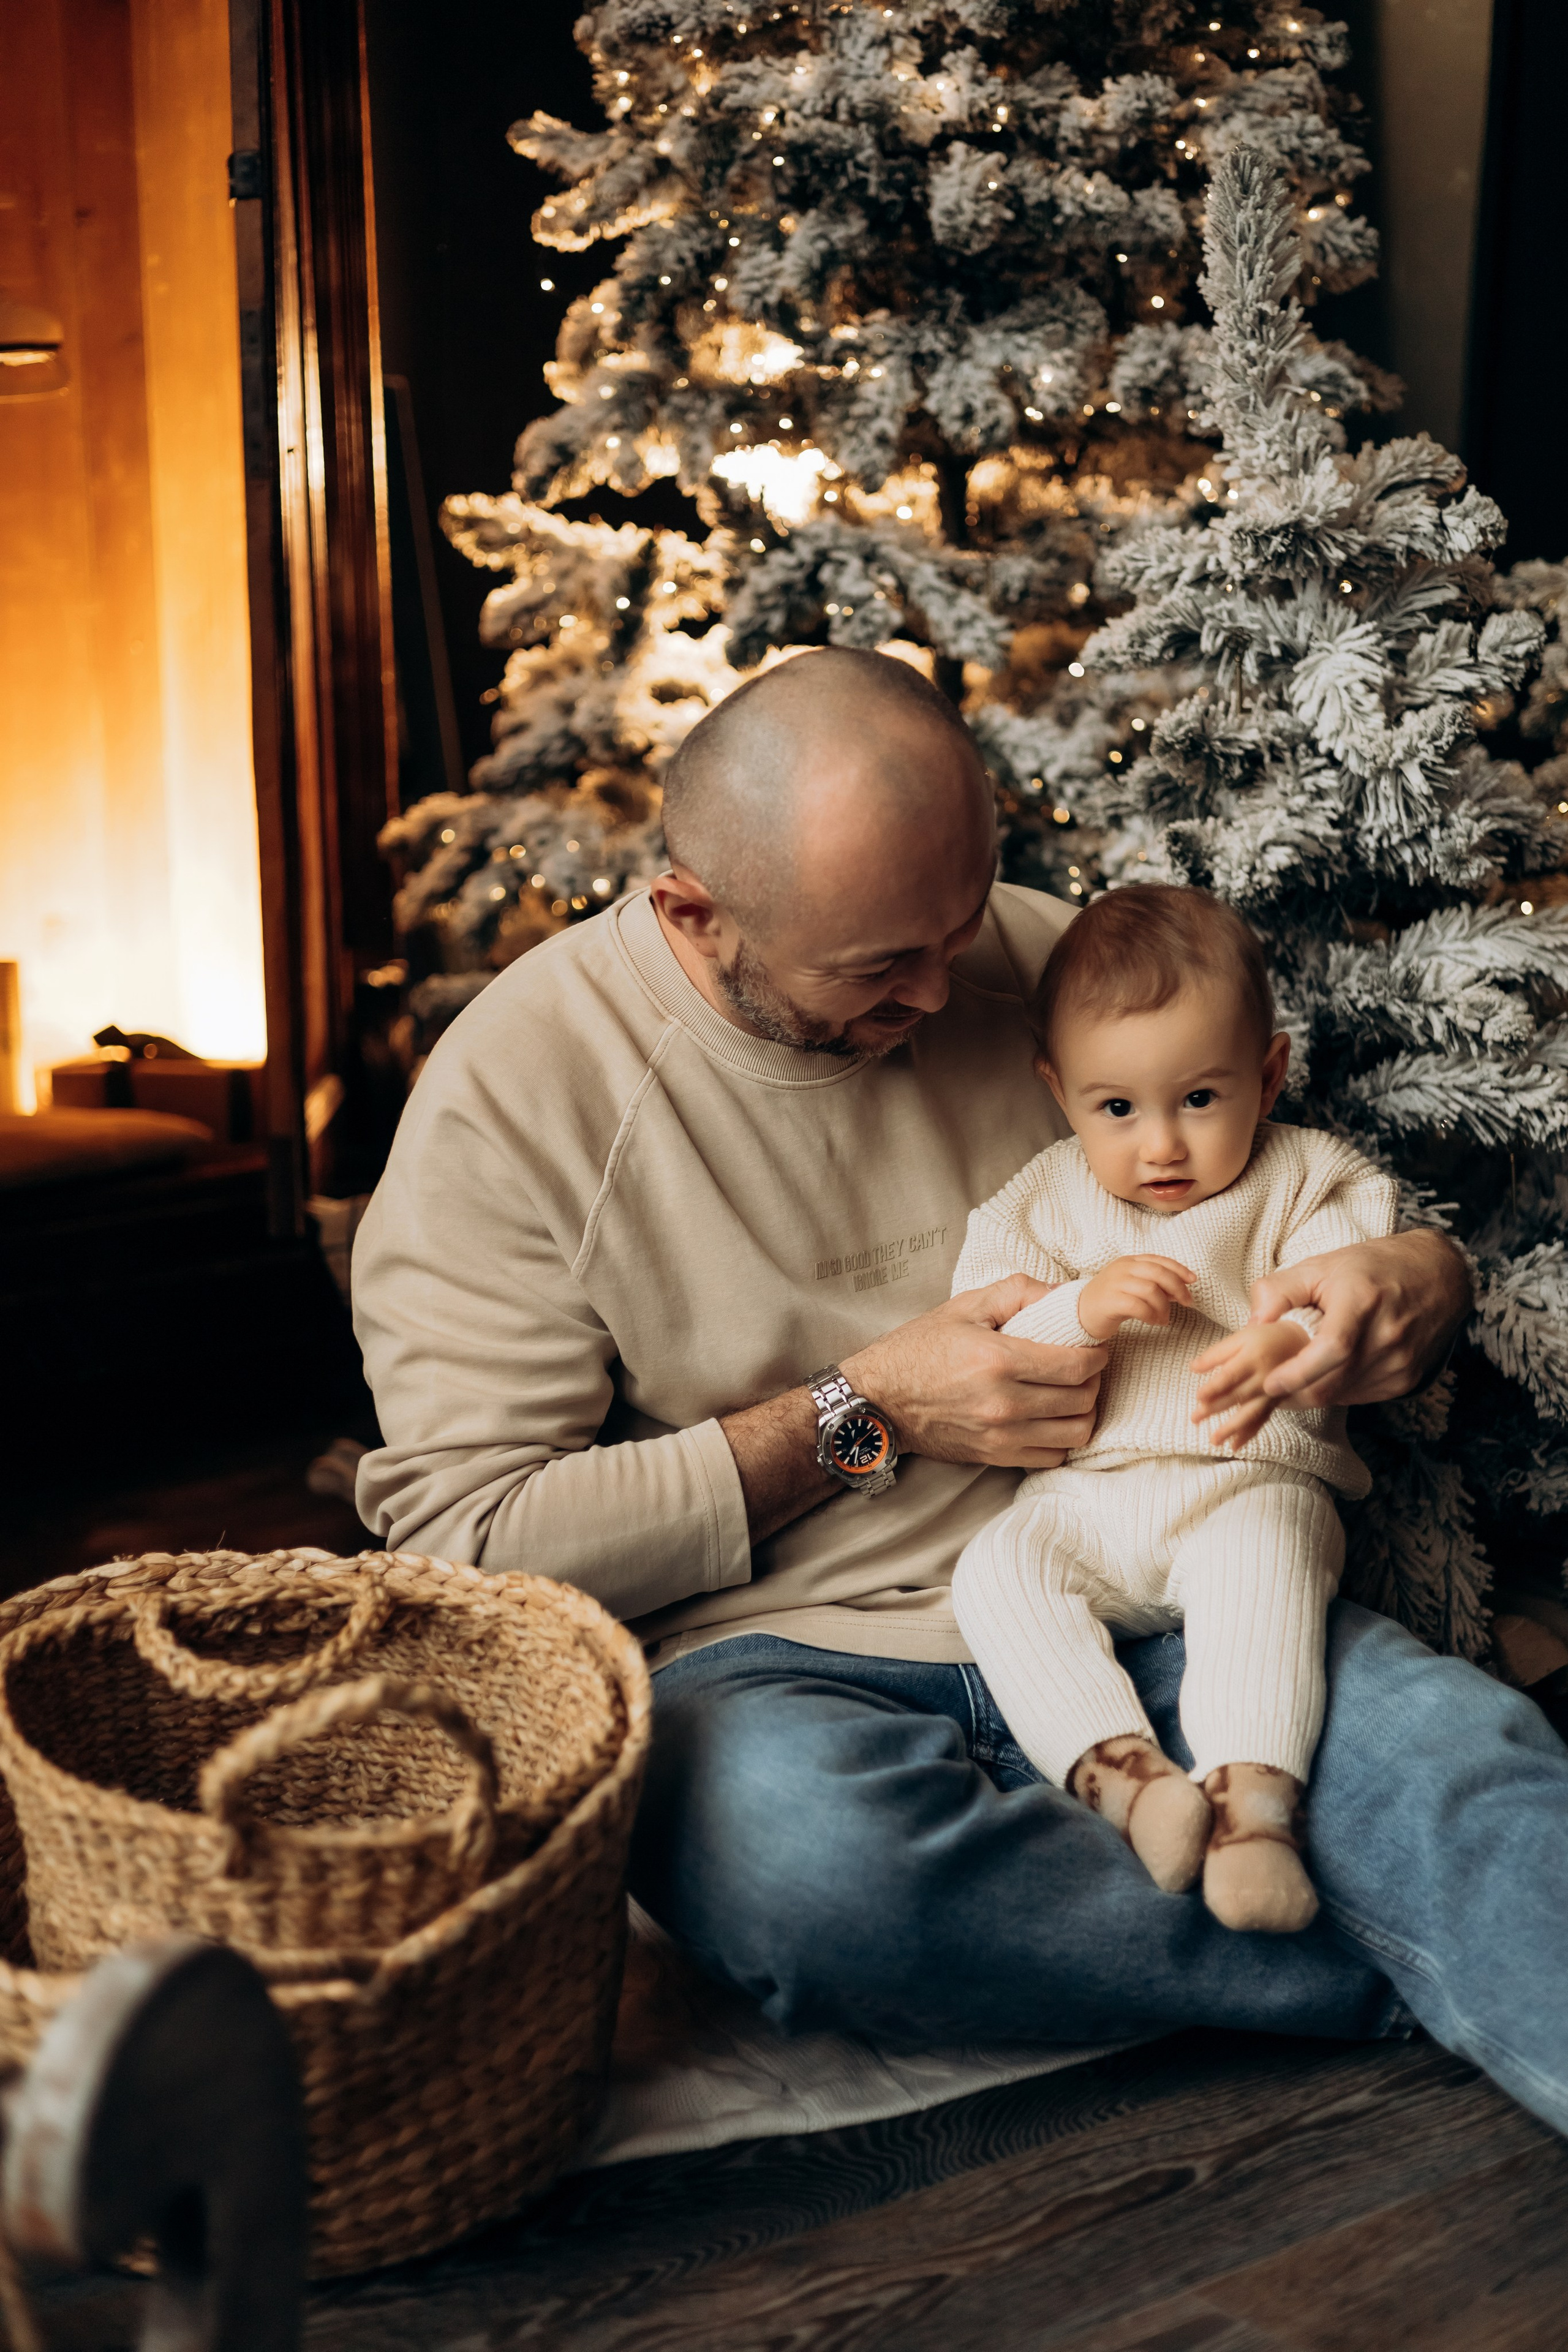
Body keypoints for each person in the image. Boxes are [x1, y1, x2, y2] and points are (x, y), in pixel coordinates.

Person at [352, 648, 1568, 2136]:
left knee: (1459, 1760)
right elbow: (463, 1546)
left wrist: (1420, 1284)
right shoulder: (514, 1100)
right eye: (878, 971)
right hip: (776, 1663)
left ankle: (1389, 1911)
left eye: (962, 921)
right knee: (805, 1875)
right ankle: (1392, 1954)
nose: (947, 993)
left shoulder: (1020, 956)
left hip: (1156, 1563)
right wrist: (861, 1413)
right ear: (693, 913)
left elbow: (1283, 1170)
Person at [946, 885, 1401, 1935]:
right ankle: (1128, 1780)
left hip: (1243, 1482)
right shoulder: (1040, 1202)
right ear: (1059, 1092)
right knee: (998, 1571)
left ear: (1269, 1074)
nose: (1161, 1147)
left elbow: (1344, 1299)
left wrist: (1287, 1339)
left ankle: (1254, 1811)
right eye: (1118, 1109)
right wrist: (1078, 1309)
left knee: (1267, 1575)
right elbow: (990, 1351)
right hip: (1089, 1504)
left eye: (1200, 1098)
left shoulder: (1303, 1180)